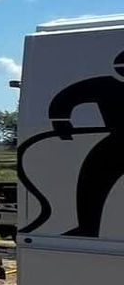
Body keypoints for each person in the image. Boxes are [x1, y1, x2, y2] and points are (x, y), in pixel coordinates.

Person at [48, 50, 124, 237]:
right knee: (92, 180)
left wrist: (62, 125)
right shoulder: (105, 85)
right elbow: (66, 98)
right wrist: (62, 125)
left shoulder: (104, 85)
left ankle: (87, 227)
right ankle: (88, 227)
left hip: (114, 143)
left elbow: (66, 98)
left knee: (92, 178)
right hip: (115, 143)